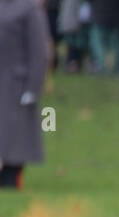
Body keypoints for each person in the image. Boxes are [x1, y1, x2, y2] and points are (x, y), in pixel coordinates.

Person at [0, 0, 49, 190]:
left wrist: (32, 87)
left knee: (16, 137)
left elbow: (39, 51)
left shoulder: (29, 9)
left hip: (16, 84)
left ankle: (12, 177)